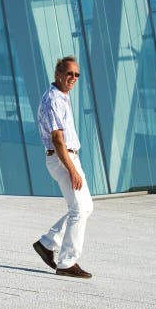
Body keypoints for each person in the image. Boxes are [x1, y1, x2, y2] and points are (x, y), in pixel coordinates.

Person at [32, 56, 94, 278]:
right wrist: (72, 169)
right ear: (58, 74)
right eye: (69, 73)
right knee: (79, 209)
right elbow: (58, 139)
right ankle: (67, 263)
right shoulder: (53, 100)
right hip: (62, 158)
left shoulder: (62, 96)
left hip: (69, 156)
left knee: (86, 207)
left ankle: (48, 243)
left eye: (77, 75)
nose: (73, 78)